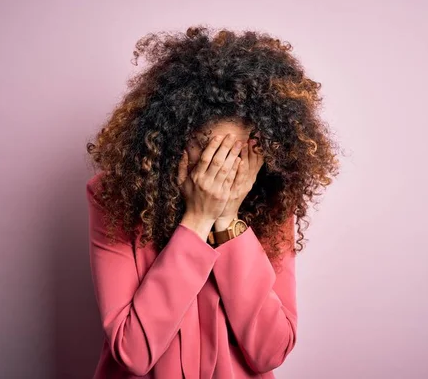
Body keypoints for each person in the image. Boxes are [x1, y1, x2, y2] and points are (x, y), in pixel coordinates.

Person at [85, 25, 340, 378]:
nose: (217, 169)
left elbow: (271, 350)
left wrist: (228, 222)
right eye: (206, 149)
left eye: (232, 153)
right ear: (173, 138)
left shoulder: (273, 200)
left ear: (257, 148)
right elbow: (133, 352)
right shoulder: (113, 195)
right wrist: (197, 219)